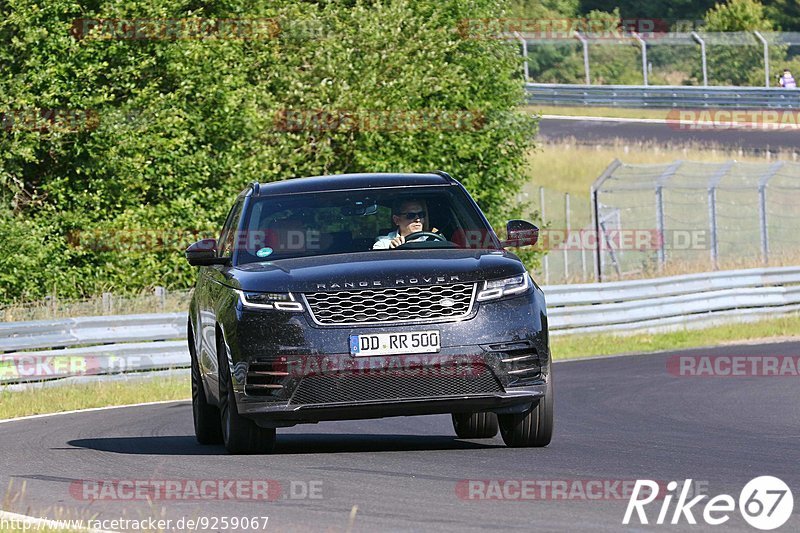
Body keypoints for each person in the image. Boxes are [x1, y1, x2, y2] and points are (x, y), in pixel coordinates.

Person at [372, 199, 438, 249]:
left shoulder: (435, 242)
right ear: (396, 220)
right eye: (411, 215)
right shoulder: (383, 244)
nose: (418, 220)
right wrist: (391, 252)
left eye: (421, 215)